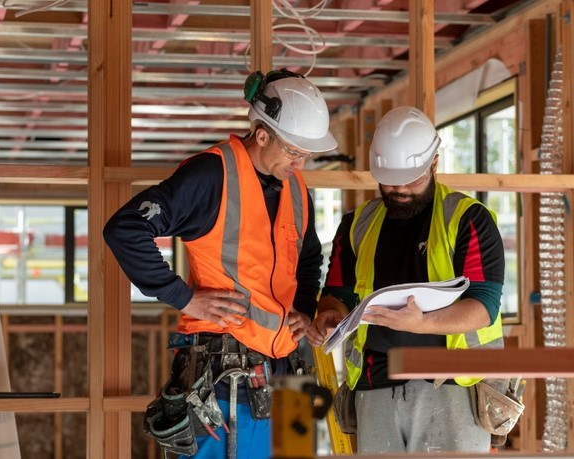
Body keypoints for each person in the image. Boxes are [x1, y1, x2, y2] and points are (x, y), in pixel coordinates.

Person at [103, 68, 337, 459]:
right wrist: (184, 297)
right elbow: (126, 228)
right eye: (295, 151)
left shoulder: (295, 187)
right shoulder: (212, 175)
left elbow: (309, 256)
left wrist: (305, 307)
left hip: (290, 373)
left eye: (308, 154)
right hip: (227, 379)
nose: (301, 163)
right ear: (262, 135)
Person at [307, 105, 506, 454]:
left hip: (452, 387)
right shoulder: (357, 225)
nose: (399, 188)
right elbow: (336, 293)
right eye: (390, 179)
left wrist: (422, 322)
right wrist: (330, 315)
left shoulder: (467, 219)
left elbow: (482, 307)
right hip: (374, 387)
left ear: (434, 163)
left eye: (411, 178)